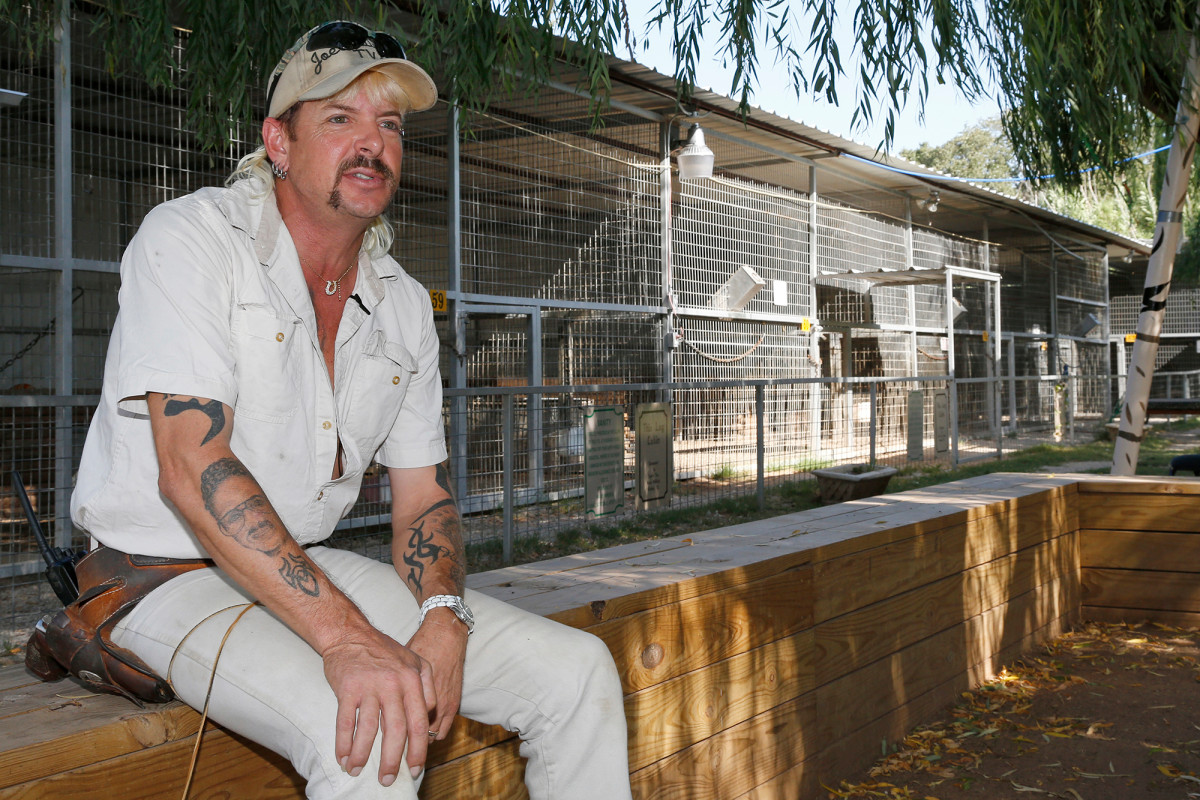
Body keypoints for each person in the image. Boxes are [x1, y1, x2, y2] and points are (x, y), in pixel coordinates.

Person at [70, 21, 633, 800]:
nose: (372, 143)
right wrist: (349, 642)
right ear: (278, 140)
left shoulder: (402, 302)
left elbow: (424, 496)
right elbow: (191, 466)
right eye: (340, 118)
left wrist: (443, 613)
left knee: (577, 674)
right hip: (160, 577)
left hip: (302, 560)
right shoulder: (193, 238)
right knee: (370, 738)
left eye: (390, 125)